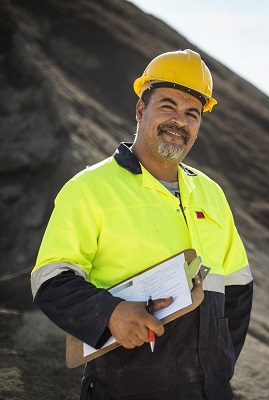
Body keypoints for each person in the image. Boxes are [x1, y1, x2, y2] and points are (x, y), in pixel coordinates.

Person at [30, 49, 253, 400]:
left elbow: (238, 289)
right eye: (168, 106)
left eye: (192, 113)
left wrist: (219, 365)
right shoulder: (90, 188)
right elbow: (50, 281)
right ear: (140, 110)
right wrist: (110, 314)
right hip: (123, 387)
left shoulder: (211, 194)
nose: (179, 121)